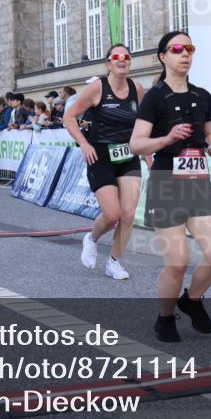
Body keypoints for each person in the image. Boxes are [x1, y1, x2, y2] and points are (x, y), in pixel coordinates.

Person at [130, 31, 211, 343]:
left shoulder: (203, 96)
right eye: (177, 49)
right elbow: (136, 144)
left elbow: (209, 136)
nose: (185, 54)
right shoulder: (154, 97)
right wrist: (166, 139)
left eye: (189, 48)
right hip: (166, 183)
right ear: (163, 56)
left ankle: (193, 299)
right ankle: (165, 317)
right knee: (177, 262)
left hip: (198, 184)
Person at [65, 43, 146, 281]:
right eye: (116, 56)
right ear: (108, 63)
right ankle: (91, 238)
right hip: (99, 156)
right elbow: (69, 117)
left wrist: (148, 153)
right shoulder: (96, 88)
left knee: (129, 215)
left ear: (130, 62)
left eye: (127, 56)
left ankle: (114, 261)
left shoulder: (137, 89)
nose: (122, 60)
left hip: (128, 156)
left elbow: (142, 124)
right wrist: (84, 143)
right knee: (112, 214)